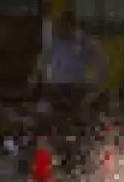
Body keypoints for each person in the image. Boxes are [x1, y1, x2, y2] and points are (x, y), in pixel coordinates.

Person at [28, 10, 107, 157]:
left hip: (75, 89)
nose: (63, 30)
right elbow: (42, 60)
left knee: (83, 120)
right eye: (61, 27)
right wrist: (35, 77)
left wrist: (96, 82)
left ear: (73, 26)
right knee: (41, 118)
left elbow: (101, 60)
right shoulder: (53, 41)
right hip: (55, 88)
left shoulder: (83, 42)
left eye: (67, 27)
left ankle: (87, 152)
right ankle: (33, 153)